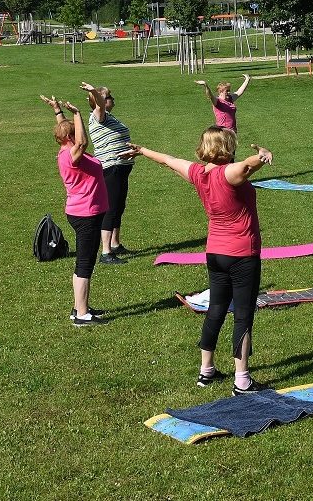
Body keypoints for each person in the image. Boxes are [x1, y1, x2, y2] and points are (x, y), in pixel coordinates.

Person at [123, 128, 272, 395]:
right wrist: (262, 155)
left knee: (216, 308)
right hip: (241, 254)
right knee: (243, 315)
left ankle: (207, 371)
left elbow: (168, 160)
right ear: (226, 146)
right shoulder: (229, 173)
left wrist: (142, 151)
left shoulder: (197, 173)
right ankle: (242, 380)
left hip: (215, 253)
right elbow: (249, 165)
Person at [40, 94, 110, 326]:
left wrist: (58, 110)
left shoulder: (65, 151)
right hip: (85, 214)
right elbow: (81, 143)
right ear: (69, 137)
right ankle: (81, 314)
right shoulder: (72, 155)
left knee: (85, 260)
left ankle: (80, 307)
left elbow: (72, 136)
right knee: (85, 262)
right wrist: (78, 113)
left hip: (83, 211)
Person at [80, 82, 133, 264]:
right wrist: (94, 92)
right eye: (109, 96)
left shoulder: (108, 116)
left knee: (119, 206)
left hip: (121, 167)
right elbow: (100, 105)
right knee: (110, 209)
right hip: (112, 168)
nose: (112, 98)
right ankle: (106, 252)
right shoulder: (98, 115)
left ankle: (115, 243)